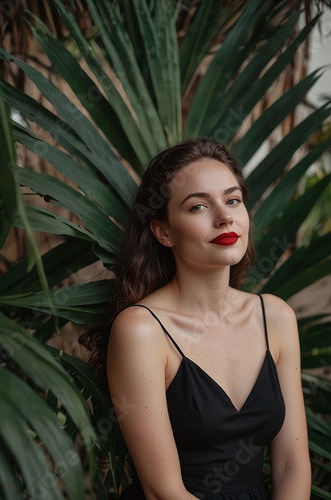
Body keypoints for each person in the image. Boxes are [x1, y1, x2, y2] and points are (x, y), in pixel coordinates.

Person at [86, 139, 311, 499]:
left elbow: (291, 464)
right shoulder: (141, 330)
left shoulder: (276, 317)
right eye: (198, 206)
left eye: (233, 200)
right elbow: (162, 491)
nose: (224, 217)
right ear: (163, 231)